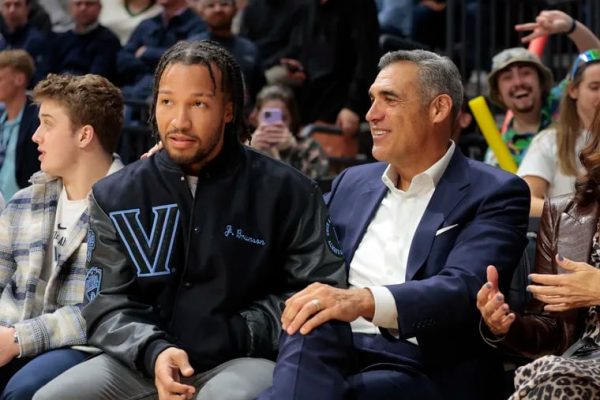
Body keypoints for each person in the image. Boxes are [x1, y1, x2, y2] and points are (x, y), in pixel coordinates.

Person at [34, 40, 345, 400]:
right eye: (167, 102)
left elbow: (320, 288)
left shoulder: (289, 191)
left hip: (241, 359)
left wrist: (240, 331)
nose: (179, 121)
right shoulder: (115, 194)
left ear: (228, 110)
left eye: (199, 103)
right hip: (142, 360)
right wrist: (154, 351)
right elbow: (104, 301)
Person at [259, 49, 530, 400]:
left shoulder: (496, 191)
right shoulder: (351, 182)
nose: (371, 115)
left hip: (421, 360)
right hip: (327, 342)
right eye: (372, 100)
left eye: (389, 99)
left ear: (438, 108)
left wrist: (361, 301)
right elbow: (286, 234)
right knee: (308, 322)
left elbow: (462, 288)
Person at [0, 73, 124, 399]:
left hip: (83, 347)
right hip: (10, 336)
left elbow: (104, 309)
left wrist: (18, 339)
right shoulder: (23, 202)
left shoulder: (128, 205)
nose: (35, 136)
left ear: (84, 135)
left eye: (48, 124)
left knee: (24, 390)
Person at [477, 104, 600, 399]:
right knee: (554, 376)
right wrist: (505, 324)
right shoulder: (563, 214)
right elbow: (552, 331)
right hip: (579, 360)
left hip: (566, 375)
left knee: (554, 379)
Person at [486, 10, 600, 168]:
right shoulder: (497, 153)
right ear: (498, 94)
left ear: (540, 81)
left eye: (525, 73)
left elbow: (594, 62)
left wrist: (572, 27)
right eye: (507, 77)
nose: (518, 82)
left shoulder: (565, 100)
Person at [517, 49, 600, 217]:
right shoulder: (548, 141)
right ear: (573, 90)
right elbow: (525, 200)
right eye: (595, 87)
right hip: (571, 240)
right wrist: (578, 214)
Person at [116, 0, 206, 100]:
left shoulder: (199, 24)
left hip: (175, 93)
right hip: (135, 91)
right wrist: (155, 64)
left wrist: (146, 53)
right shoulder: (147, 23)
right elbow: (123, 60)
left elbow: (186, 59)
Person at [190, 0, 264, 107]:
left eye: (224, 4)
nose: (218, 9)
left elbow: (259, 88)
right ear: (201, 13)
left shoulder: (249, 49)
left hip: (244, 115)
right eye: (211, 5)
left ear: (236, 10)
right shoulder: (191, 48)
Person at [250, 85, 328, 179]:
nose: (276, 124)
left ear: (292, 119)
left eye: (283, 118)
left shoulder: (310, 147)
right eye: (268, 116)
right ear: (256, 117)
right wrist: (250, 152)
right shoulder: (244, 147)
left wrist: (292, 152)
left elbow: (316, 187)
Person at [44, 0, 121, 81]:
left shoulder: (108, 40)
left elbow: (97, 79)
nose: (83, 8)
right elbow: (45, 71)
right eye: (78, 4)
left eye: (89, 4)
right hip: (57, 88)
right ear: (70, 8)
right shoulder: (59, 39)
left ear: (99, 8)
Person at [0, 49, 40, 200]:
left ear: (19, 79)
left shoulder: (37, 119)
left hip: (24, 208)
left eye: (0, 79)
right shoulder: (2, 118)